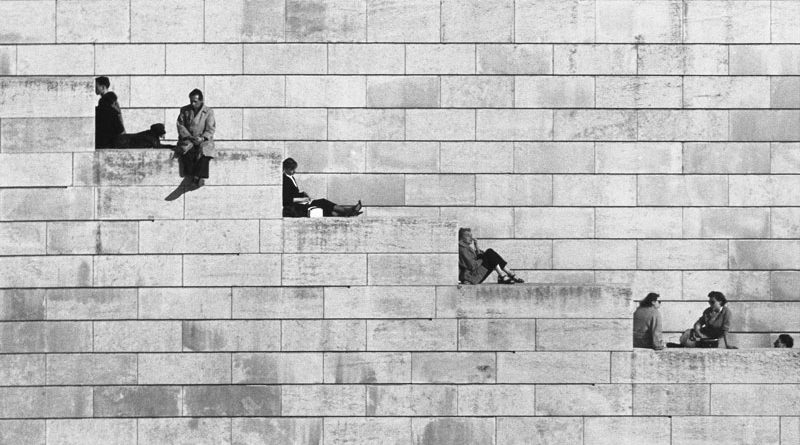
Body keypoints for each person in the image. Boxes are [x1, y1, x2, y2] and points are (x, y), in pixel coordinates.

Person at [282, 158, 362, 217]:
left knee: (326, 206)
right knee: (322, 203)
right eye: (292, 169)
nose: (294, 171)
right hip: (296, 207)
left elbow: (292, 193)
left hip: (301, 203)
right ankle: (347, 211)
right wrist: (303, 199)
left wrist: (302, 194)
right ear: (285, 169)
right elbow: (286, 199)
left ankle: (347, 213)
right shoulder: (284, 179)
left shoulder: (290, 177)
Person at [458, 227, 524, 285]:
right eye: (468, 236)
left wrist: (476, 247)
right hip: (473, 277)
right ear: (461, 238)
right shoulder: (462, 249)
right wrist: (482, 258)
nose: (471, 238)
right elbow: (473, 266)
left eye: (471, 235)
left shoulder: (466, 247)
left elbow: (478, 257)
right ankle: (505, 275)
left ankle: (507, 274)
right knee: (489, 252)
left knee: (490, 253)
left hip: (476, 274)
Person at [177, 89, 215, 186]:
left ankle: (198, 177)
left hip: (203, 140)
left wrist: (202, 138)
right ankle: (192, 175)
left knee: (205, 153)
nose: (193, 104)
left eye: (195, 101)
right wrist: (189, 137)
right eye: (191, 101)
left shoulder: (209, 112)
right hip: (188, 139)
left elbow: (210, 129)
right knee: (187, 152)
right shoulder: (184, 110)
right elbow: (180, 125)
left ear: (201, 100)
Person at [95, 76, 125, 148]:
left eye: (96, 86)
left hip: (110, 140)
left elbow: (118, 119)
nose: (94, 88)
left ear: (103, 87)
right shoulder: (110, 101)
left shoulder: (108, 102)